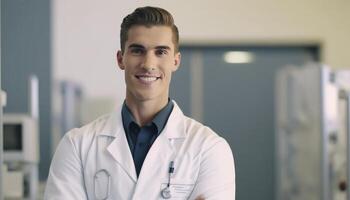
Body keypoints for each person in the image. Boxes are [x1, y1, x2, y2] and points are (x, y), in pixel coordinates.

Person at [44, 6, 235, 200]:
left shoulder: (209, 149)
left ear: (176, 61)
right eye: (137, 51)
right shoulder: (77, 146)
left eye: (160, 52)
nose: (148, 64)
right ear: (121, 59)